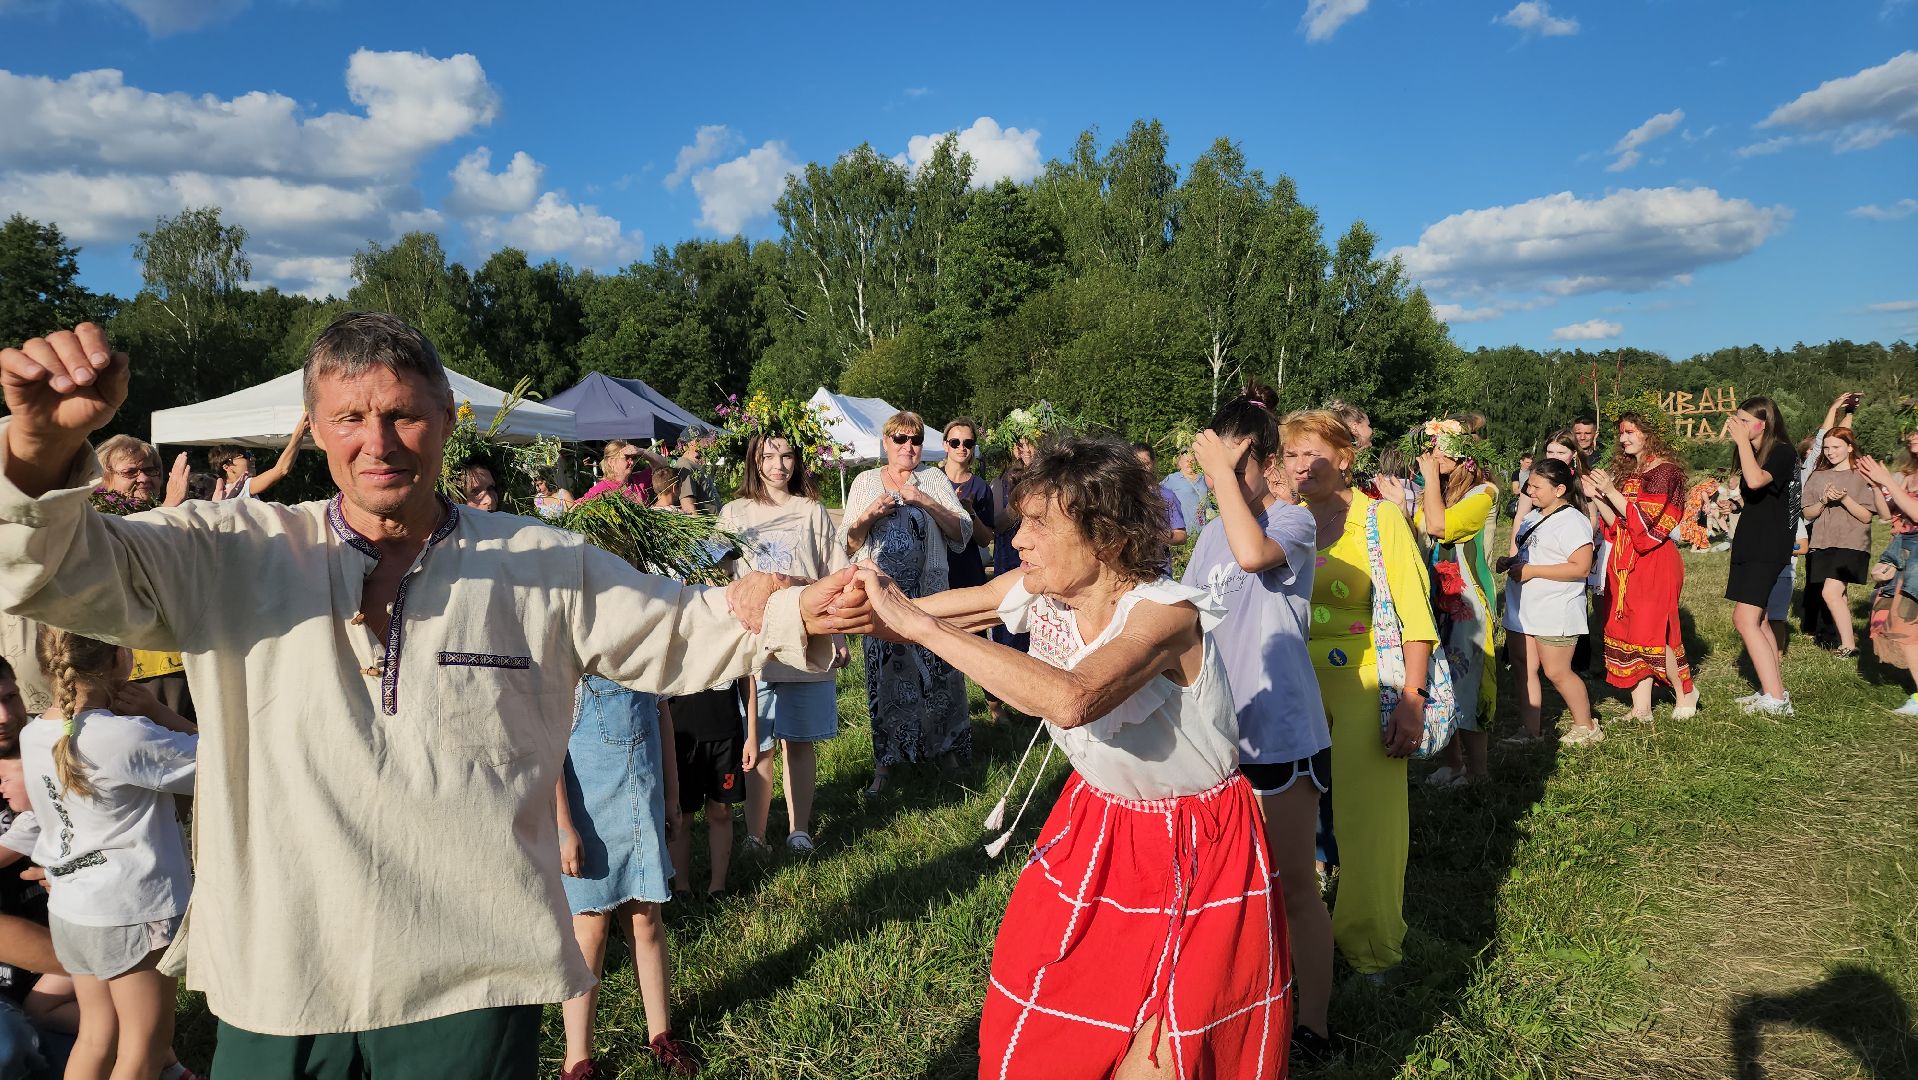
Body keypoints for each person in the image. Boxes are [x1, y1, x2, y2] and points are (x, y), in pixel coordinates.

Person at [0, 317, 868, 1079]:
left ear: (448, 421)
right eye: (348, 418)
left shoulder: (537, 560)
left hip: (471, 973)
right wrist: (39, 454)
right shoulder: (233, 553)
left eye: (403, 413)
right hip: (282, 978)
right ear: (313, 429)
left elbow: (675, 627)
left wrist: (790, 606)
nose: (377, 441)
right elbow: (58, 574)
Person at [858, 435, 1291, 1079]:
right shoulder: (1041, 591)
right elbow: (902, 614)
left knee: (1172, 1047)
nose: (1019, 539)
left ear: (1106, 536)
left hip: (1197, 850)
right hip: (1099, 829)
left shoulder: (1166, 616)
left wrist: (920, 627)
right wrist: (810, 604)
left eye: (1037, 523)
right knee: (1051, 1029)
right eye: (1021, 520)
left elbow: (1073, 699)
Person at [1181, 385, 1334, 1063]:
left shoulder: (1291, 521)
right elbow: (1187, 621)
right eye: (1219, 466)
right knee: (1226, 889)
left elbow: (1253, 557)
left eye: (1236, 465)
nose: (1224, 482)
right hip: (1218, 733)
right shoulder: (1211, 532)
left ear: (1267, 463)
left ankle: (1316, 1025)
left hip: (1279, 733)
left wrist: (1220, 479)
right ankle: (1243, 1009)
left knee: (1293, 883)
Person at [1285, 409, 1436, 982]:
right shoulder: (1287, 522)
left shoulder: (1380, 520)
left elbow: (1416, 617)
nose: (1301, 466)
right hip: (1293, 687)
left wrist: (1412, 699)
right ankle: (1286, 938)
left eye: (1312, 454)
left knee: (1368, 823)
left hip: (1367, 684)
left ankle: (1371, 950)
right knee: (1286, 819)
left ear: (1345, 459)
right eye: (1291, 455)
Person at [21, 628, 197, 1080]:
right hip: (130, 912)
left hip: (72, 909)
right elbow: (225, 762)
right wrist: (160, 712)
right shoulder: (125, 736)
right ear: (122, 657)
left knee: (98, 1037)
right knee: (141, 1049)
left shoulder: (33, 733)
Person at [720, 432, 849, 854]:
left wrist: (838, 631)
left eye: (787, 455)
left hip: (805, 635)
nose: (778, 465)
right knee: (758, 740)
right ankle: (754, 835)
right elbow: (714, 570)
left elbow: (836, 574)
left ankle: (799, 829)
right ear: (753, 461)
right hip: (754, 641)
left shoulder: (811, 510)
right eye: (768, 455)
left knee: (799, 740)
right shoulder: (734, 512)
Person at [555, 685, 691, 1079]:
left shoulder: (643, 652)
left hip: (641, 795)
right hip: (586, 815)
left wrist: (671, 796)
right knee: (590, 931)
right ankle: (577, 1059)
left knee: (646, 918)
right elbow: (549, 744)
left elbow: (662, 716)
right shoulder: (569, 655)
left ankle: (660, 1034)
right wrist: (564, 825)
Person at [838, 411, 973, 795]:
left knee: (941, 669)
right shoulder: (865, 481)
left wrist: (924, 501)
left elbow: (960, 532)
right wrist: (869, 514)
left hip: (930, 595)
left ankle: (945, 751)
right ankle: (886, 762)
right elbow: (847, 543)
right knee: (885, 675)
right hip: (881, 598)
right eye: (899, 439)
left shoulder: (933, 479)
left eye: (914, 440)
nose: (908, 447)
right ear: (886, 443)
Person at [1380, 426, 1497, 787]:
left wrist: (1429, 480)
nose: (1432, 456)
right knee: (1440, 677)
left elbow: (1439, 526)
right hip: (1436, 598)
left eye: (1441, 451)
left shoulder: (1484, 492)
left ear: (1466, 456)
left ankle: (1478, 773)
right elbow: (1418, 538)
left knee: (1471, 681)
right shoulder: (1443, 491)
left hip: (1467, 604)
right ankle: (1452, 762)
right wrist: (1400, 507)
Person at [1585, 413, 1699, 722]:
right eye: (1621, 434)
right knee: (1632, 630)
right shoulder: (1633, 471)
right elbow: (1619, 526)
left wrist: (1610, 492)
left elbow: (1646, 527)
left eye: (1629, 432)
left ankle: (1686, 692)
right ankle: (1641, 708)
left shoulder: (1665, 472)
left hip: (1655, 561)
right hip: (1626, 560)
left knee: (1653, 633)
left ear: (1649, 433)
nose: (1622, 439)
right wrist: (1598, 498)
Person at [1498, 460, 1599, 745]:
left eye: (1536, 486)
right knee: (1522, 666)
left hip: (1555, 607)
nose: (1530, 491)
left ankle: (1587, 726)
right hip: (1523, 606)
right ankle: (1530, 731)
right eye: (1529, 484)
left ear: (1560, 490)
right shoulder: (1532, 517)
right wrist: (1513, 562)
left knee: (1556, 671)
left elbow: (1581, 567)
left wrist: (1532, 571)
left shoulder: (1573, 521)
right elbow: (1535, 552)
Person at [1725, 397, 1797, 715]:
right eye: (1736, 419)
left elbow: (1756, 481)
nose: (1738, 425)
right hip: (1751, 542)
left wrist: (1741, 443)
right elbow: (1755, 496)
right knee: (1760, 619)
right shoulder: (1755, 453)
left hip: (1768, 546)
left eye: (1744, 420)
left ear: (1762, 423)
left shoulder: (1782, 451)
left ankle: (1777, 700)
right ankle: (1774, 691)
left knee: (1744, 619)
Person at [665, 680, 750, 900]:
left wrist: (753, 735)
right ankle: (681, 887)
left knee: (721, 811)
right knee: (681, 814)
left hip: (726, 731)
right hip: (680, 731)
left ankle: (717, 887)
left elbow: (746, 673)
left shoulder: (728, 643)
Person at [1801, 428, 1876, 657]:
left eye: (1836, 447)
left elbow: (1866, 516)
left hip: (1852, 542)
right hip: (1823, 542)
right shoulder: (1817, 475)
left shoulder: (1860, 475)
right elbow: (1808, 514)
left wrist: (1844, 498)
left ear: (1850, 447)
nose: (1830, 452)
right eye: (1826, 447)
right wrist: (1823, 500)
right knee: (1839, 594)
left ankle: (1848, 646)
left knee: (1830, 593)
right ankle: (1848, 639)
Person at [1858, 432, 1918, 715]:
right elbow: (1887, 514)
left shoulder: (1898, 479)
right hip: (1903, 550)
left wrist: (1886, 481)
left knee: (1907, 624)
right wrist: (1874, 486)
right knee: (1900, 623)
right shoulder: (1907, 475)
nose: (1912, 435)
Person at [1797, 394, 1859, 644]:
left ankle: (1821, 623)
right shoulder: (1808, 470)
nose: (1828, 451)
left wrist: (1851, 412)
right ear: (1810, 453)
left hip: (1833, 526)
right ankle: (1817, 625)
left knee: (1831, 578)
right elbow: (1827, 435)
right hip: (1814, 527)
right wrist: (1834, 407)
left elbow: (1841, 437)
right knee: (1817, 578)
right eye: (1822, 448)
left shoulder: (1831, 465)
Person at [984, 435, 1037, 724]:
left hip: (1042, 560)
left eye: (1031, 444)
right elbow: (997, 524)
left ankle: (1037, 697)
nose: (1025, 450)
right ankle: (1004, 699)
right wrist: (1020, 503)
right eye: (1020, 445)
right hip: (1010, 560)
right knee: (1009, 624)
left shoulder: (1050, 475)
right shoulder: (1000, 482)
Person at [940, 418, 995, 591]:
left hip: (967, 573)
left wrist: (970, 512)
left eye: (968, 443)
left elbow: (985, 540)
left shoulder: (980, 487)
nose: (961, 448)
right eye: (955, 442)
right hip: (935, 571)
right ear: (946, 446)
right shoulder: (930, 480)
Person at [207, 414, 308, 501]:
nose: (253, 459)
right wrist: (299, 434)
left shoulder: (224, 495)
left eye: (251, 455)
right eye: (246, 456)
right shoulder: (243, 487)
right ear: (227, 467)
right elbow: (281, 470)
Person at [92, 436, 187, 511]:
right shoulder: (95, 519)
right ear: (103, 478)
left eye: (150, 470)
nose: (144, 479)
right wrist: (169, 506)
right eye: (130, 472)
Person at [1131, 444, 1188, 547]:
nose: (1141, 468)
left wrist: (1160, 535)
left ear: (1153, 463)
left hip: (1160, 560)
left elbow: (1181, 535)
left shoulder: (1166, 496)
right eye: (1136, 464)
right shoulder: (1124, 494)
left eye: (1146, 463)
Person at [578, 439, 652, 504]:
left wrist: (641, 451)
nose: (632, 462)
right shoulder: (601, 489)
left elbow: (662, 466)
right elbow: (576, 507)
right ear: (611, 462)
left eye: (632, 458)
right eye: (627, 458)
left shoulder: (638, 480)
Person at [1161, 448, 1211, 534]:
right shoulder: (1172, 479)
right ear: (1180, 463)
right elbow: (1157, 495)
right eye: (1187, 461)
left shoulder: (1203, 478)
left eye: (1192, 460)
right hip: (1186, 531)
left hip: (1207, 528)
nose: (1190, 463)